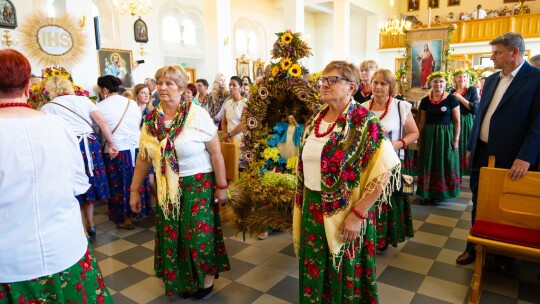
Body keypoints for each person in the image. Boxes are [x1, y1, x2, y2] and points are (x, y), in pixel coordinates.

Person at [0, 49, 113, 303]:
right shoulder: (57, 125)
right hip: (65, 246)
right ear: (29, 85)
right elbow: (80, 184)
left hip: (10, 259)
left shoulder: (54, 117)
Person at [293, 60, 400, 303]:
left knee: (344, 271)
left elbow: (384, 171)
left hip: (348, 211)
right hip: (312, 206)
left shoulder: (364, 121)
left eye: (333, 80)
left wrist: (358, 214)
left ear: (352, 87)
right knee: (314, 268)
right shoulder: (316, 119)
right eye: (323, 79)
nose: (324, 84)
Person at [129, 64, 230, 299]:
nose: (163, 88)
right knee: (173, 234)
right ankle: (183, 281)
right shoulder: (151, 120)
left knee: (197, 235)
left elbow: (216, 154)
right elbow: (144, 159)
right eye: (160, 83)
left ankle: (204, 281)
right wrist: (134, 190)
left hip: (198, 184)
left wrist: (222, 186)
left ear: (182, 88)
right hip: (167, 187)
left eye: (169, 83)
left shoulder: (197, 115)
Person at [456, 32, 540, 268]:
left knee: (506, 206)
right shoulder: (492, 79)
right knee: (479, 201)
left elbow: (538, 123)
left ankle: (502, 255)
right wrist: (472, 146)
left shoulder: (535, 79)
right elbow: (482, 114)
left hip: (512, 156)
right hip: (483, 152)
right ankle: (473, 247)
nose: (492, 57)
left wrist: (525, 157)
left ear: (515, 52)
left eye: (497, 52)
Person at [41, 75, 119, 240]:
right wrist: (111, 143)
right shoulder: (83, 100)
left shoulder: (47, 107)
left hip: (67, 146)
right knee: (88, 182)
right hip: (90, 146)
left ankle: (80, 227)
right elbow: (102, 122)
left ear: (50, 90)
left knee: (72, 184)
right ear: (68, 87)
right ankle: (90, 224)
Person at [362, 69, 419, 253]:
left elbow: (414, 133)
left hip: (391, 162)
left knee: (387, 200)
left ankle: (383, 239)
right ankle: (366, 235)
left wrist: (398, 143)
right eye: (375, 82)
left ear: (390, 86)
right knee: (367, 199)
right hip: (367, 164)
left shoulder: (400, 107)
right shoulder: (362, 107)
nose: (378, 86)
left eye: (383, 83)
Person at [96, 75, 152, 229]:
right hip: (135, 148)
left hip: (116, 150)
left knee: (119, 184)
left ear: (105, 89)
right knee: (136, 179)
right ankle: (139, 211)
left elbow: (97, 129)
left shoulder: (100, 106)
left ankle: (124, 218)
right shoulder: (131, 103)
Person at [417, 72, 461, 204]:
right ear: (431, 83)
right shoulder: (425, 101)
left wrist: (456, 139)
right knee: (428, 163)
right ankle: (427, 193)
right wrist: (419, 138)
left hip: (445, 135)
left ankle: (441, 193)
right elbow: (421, 121)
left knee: (443, 162)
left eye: (441, 81)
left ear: (445, 83)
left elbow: (457, 121)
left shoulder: (452, 99)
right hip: (429, 135)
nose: (438, 84)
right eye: (435, 81)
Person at [450, 70, 480, 177]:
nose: (461, 79)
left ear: (467, 78)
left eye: (464, 77)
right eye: (459, 77)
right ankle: (455, 171)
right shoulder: (451, 91)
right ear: (455, 79)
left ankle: (465, 171)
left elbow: (475, 109)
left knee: (465, 145)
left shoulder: (471, 90)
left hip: (466, 121)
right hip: (453, 121)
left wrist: (460, 98)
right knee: (454, 144)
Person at [221, 76, 247, 143]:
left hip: (240, 139)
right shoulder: (227, 103)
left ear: (240, 88)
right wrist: (225, 134)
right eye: (230, 85)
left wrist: (229, 135)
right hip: (228, 139)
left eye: (234, 85)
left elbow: (243, 124)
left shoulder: (245, 103)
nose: (231, 87)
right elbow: (224, 122)